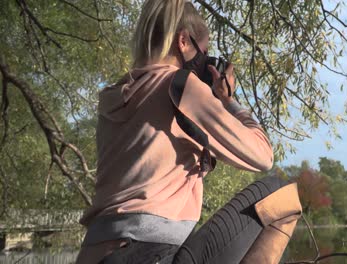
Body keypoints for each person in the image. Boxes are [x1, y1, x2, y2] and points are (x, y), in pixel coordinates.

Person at [75, 1, 302, 263]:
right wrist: (228, 101)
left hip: (94, 252)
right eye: (204, 53)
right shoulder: (181, 86)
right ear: (183, 40)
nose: (204, 62)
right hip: (151, 253)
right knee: (281, 191)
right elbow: (263, 155)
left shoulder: (113, 96)